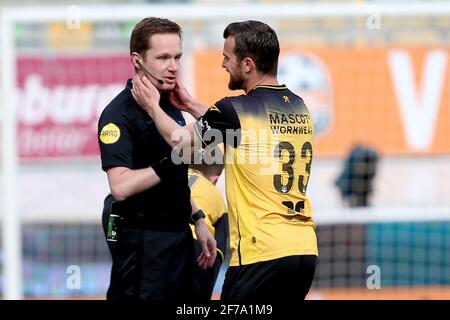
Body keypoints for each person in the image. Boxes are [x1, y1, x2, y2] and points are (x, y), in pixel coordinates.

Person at [132, 20, 318, 301]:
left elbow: (180, 141)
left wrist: (152, 107)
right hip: (304, 251)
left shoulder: (233, 108)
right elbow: (240, 130)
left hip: (261, 253)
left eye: (226, 57)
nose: (222, 64)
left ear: (247, 64)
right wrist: (192, 105)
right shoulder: (299, 106)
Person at [97, 17, 216, 301]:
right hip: (142, 243)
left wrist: (198, 218)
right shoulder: (117, 115)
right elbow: (121, 186)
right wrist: (173, 162)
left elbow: (221, 147)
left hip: (179, 236)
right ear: (137, 60)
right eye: (163, 58)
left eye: (177, 57)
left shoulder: (171, 103)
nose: (173, 66)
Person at [188, 161, 229, 300]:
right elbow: (219, 250)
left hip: (162, 241)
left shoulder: (173, 177)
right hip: (198, 248)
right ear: (215, 179)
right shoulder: (216, 196)